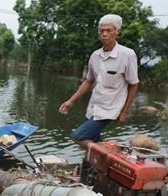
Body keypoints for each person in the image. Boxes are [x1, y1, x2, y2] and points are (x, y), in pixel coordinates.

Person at [59, 14, 139, 149]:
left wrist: (124, 111)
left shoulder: (127, 55)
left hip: (110, 109)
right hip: (94, 107)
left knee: (78, 136)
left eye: (108, 30)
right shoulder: (95, 56)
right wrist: (70, 101)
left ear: (117, 32)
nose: (104, 34)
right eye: (101, 31)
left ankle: (106, 151)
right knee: (92, 140)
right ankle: (93, 167)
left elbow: (134, 84)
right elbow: (89, 81)